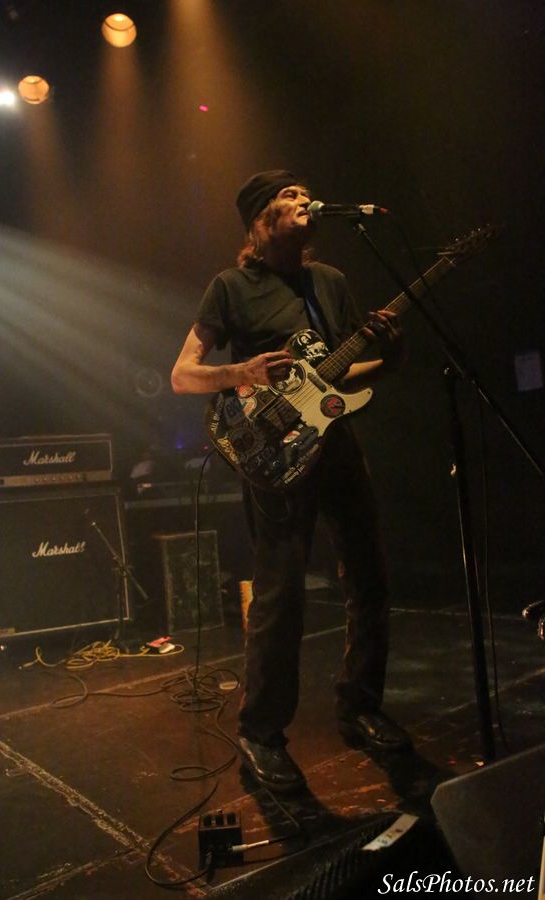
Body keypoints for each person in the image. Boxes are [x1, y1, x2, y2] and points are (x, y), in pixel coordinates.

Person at [171, 170, 411, 793]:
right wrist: (242, 372)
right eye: (290, 196)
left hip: (337, 442)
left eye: (306, 193)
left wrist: (392, 357)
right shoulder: (230, 288)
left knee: (370, 577)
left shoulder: (328, 282)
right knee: (281, 597)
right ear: (259, 221)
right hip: (275, 455)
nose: (304, 200)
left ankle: (360, 706)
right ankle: (261, 734)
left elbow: (342, 374)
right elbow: (183, 374)